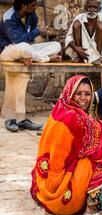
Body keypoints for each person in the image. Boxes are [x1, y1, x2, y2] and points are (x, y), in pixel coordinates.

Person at [31, 75, 102, 215]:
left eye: (88, 94)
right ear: (70, 93)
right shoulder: (77, 119)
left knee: (97, 143)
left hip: (45, 187)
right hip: (62, 198)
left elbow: (101, 126)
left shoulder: (61, 110)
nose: (83, 98)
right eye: (79, 93)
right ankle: (93, 212)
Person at [0, 0, 62, 133]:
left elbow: (30, 38)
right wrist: (37, 32)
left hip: (26, 50)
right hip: (8, 50)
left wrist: (35, 34)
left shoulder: (31, 14)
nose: (36, 7)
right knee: (24, 47)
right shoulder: (8, 17)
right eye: (33, 5)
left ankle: (20, 119)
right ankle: (45, 59)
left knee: (56, 46)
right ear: (23, 6)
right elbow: (18, 41)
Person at [65, 0, 102, 69]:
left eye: (95, 8)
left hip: (99, 53)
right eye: (90, 7)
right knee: (76, 24)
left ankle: (97, 58)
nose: (92, 10)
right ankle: (80, 57)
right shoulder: (79, 17)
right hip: (82, 52)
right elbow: (68, 36)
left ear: (99, 9)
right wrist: (76, 49)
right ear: (85, 7)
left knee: (100, 25)